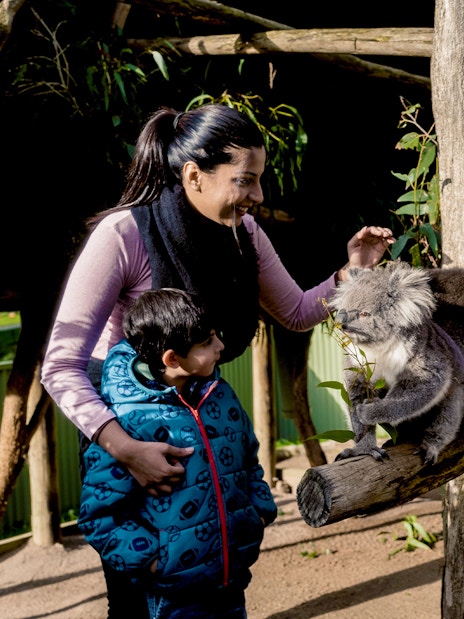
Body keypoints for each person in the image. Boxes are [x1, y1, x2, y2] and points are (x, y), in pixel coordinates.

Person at [40, 102, 395, 618]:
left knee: (217, 570)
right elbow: (61, 365)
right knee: (143, 593)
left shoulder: (242, 234)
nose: (258, 196)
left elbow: (295, 312)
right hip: (124, 423)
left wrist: (350, 273)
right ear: (193, 175)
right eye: (245, 180)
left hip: (202, 410)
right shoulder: (124, 235)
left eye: (259, 180)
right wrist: (126, 449)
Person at [78, 287, 277, 619]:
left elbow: (248, 459)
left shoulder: (219, 396)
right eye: (208, 341)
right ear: (172, 359)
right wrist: (154, 561)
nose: (221, 347)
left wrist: (259, 512)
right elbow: (98, 516)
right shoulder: (128, 422)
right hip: (175, 595)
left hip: (232, 578)